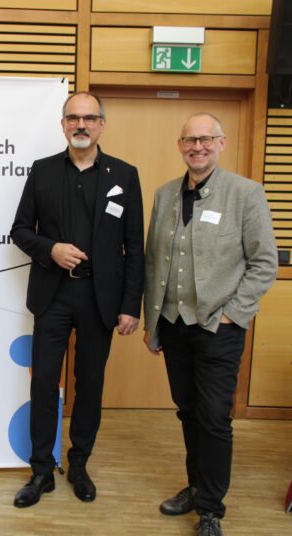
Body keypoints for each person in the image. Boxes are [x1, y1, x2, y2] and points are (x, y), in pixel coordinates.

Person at [143, 113, 277, 536]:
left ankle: (212, 509)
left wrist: (232, 314)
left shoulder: (245, 193)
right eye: (189, 140)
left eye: (206, 139)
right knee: (188, 412)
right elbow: (153, 262)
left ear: (221, 142)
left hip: (220, 327)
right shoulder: (165, 195)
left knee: (215, 418)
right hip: (174, 324)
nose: (197, 146)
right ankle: (197, 487)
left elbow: (263, 264)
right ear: (180, 145)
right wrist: (153, 321)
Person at [10, 92, 145, 507]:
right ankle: (40, 471)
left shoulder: (125, 174)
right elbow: (19, 230)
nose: (81, 125)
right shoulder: (43, 171)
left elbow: (134, 247)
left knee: (90, 385)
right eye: (73, 118)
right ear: (63, 124)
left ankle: (80, 464)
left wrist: (129, 304)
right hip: (52, 294)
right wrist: (50, 249)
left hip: (100, 298)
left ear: (102, 124)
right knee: (45, 384)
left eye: (89, 118)